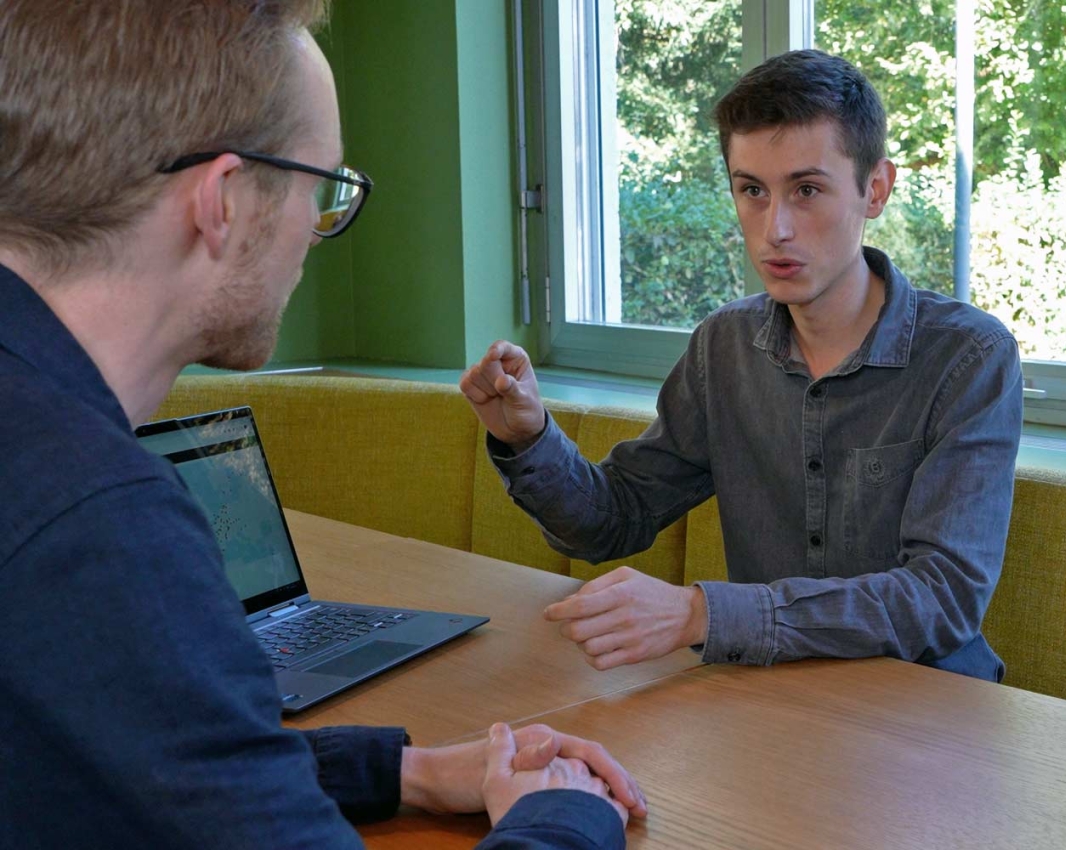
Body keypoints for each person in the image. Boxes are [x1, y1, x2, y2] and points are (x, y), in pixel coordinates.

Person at [0, 2, 643, 847]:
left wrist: (399, 772)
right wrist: (562, 818)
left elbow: (125, 759)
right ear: (223, 199)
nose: (317, 228)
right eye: (321, 188)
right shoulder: (100, 526)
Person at [460, 50, 1022, 681]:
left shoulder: (970, 356)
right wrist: (527, 436)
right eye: (751, 190)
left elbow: (942, 599)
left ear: (876, 190)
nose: (774, 228)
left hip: (931, 712)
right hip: (768, 701)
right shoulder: (722, 346)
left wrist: (702, 614)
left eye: (806, 190)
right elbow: (612, 521)